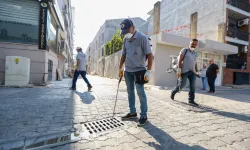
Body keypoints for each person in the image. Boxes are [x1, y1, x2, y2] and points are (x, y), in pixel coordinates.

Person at [118, 18, 153, 126]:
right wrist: (120, 68)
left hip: (139, 70)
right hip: (128, 70)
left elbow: (150, 55)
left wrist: (149, 71)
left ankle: (144, 115)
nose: (126, 34)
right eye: (124, 33)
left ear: (133, 28)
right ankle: (132, 112)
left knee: (140, 92)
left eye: (127, 31)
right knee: (130, 91)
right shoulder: (125, 39)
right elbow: (123, 55)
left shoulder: (142, 38)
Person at [170, 39, 199, 106]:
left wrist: (197, 71)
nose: (194, 45)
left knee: (193, 86)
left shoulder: (195, 53)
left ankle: (191, 100)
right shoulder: (184, 50)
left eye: (195, 44)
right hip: (184, 71)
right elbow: (180, 60)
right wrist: (179, 69)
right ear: (190, 43)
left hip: (192, 71)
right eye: (193, 43)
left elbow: (195, 62)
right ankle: (174, 91)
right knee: (182, 85)